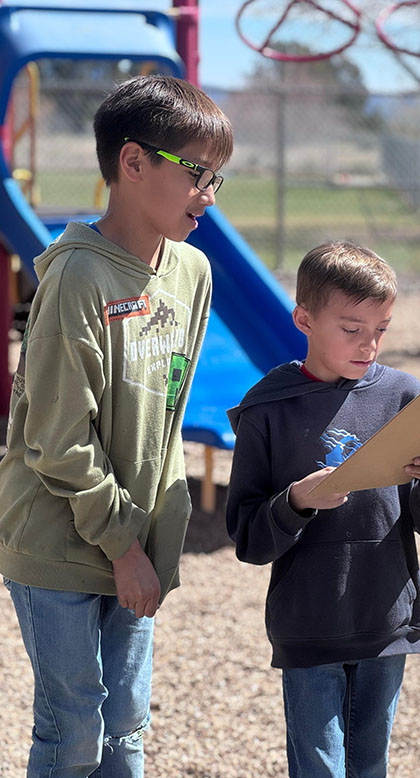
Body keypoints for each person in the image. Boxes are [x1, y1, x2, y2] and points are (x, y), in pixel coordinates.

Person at [0, 74, 233, 776]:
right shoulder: (76, 278)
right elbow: (56, 439)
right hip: (59, 539)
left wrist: (152, 534)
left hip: (135, 538)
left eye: (219, 179)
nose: (210, 196)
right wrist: (123, 546)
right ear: (133, 163)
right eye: (198, 174)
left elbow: (167, 414)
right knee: (73, 730)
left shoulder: (192, 270)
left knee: (127, 728)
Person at [226, 241, 420, 778]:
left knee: (369, 765)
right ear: (304, 319)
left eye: (381, 329)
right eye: (351, 328)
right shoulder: (268, 408)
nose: (368, 344)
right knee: (319, 769)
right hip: (308, 624)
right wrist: (297, 502)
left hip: (387, 618)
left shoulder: (405, 396)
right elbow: (249, 539)